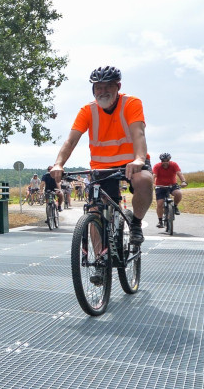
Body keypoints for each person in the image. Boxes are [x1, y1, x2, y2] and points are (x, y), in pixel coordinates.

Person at [49, 66, 153, 268]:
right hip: (102, 167)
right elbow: (70, 142)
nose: (102, 91)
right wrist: (59, 164)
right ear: (93, 90)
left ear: (118, 86)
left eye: (108, 86)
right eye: (98, 87)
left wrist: (139, 159)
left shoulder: (131, 103)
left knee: (144, 180)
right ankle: (100, 259)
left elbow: (138, 133)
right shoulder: (87, 111)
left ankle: (136, 223)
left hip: (132, 162)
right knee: (95, 210)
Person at [152, 152, 187, 228]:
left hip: (172, 185)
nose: (165, 162)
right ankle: (160, 221)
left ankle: (175, 206)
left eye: (167, 160)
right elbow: (153, 176)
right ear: (161, 161)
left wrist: (183, 181)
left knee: (178, 193)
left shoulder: (174, 165)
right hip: (160, 186)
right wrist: (152, 184)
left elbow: (179, 173)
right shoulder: (157, 166)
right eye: (163, 161)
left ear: (169, 160)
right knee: (160, 203)